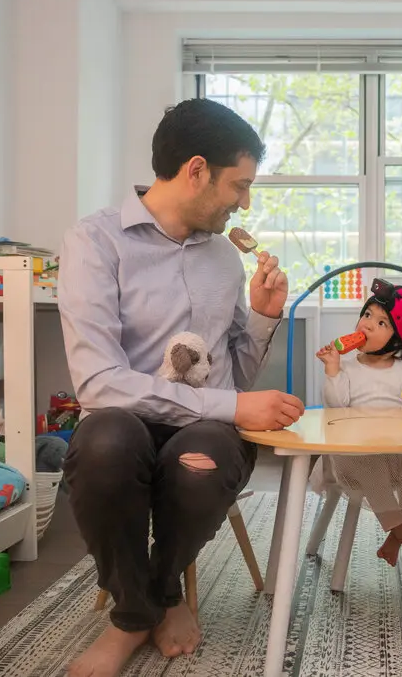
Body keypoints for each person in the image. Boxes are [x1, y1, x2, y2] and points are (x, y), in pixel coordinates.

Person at [57, 98, 305, 677]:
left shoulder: (225, 259)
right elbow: (98, 383)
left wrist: (263, 318)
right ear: (196, 170)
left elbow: (233, 377)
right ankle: (135, 613)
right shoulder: (95, 242)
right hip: (123, 422)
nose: (245, 203)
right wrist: (233, 404)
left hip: (203, 430)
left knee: (201, 461)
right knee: (105, 443)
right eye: (240, 185)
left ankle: (163, 589)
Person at [310, 277, 402, 566]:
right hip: (352, 455)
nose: (368, 325)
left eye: (381, 323)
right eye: (367, 315)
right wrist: (332, 370)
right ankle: (400, 527)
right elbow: (335, 406)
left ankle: (396, 536)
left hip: (394, 451)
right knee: (369, 462)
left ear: (397, 341)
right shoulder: (346, 368)